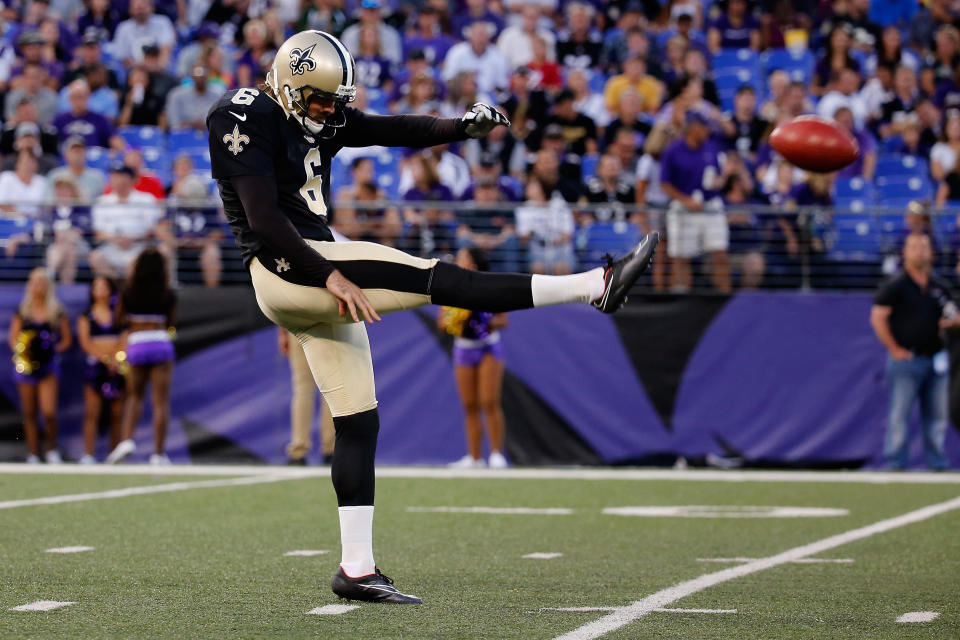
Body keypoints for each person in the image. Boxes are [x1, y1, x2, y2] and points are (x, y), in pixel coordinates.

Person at [203, 30, 658, 605]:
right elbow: (264, 218)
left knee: (358, 422)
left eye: (335, 100)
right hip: (289, 264)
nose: (331, 110)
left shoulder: (323, 113)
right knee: (438, 278)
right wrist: (328, 274)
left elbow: (392, 130)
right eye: (321, 99)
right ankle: (595, 285)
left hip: (313, 271)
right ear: (292, 88)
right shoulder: (242, 114)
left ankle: (357, 568)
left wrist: (459, 128)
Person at [870, 233, 958, 470]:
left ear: (932, 252)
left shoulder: (940, 287)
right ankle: (896, 463)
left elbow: (951, 314)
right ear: (905, 253)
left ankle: (937, 463)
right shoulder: (896, 285)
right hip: (907, 358)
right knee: (900, 414)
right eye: (914, 247)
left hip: (936, 357)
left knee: (937, 417)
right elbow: (878, 317)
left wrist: (952, 323)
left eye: (924, 246)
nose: (920, 251)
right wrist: (895, 349)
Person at [106, 248, 177, 465]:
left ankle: (127, 440)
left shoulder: (128, 292)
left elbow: (117, 320)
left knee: (134, 397)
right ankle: (158, 453)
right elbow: (170, 322)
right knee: (160, 402)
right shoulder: (167, 293)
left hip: (137, 343)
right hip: (159, 341)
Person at [439, 248, 508, 470]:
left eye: (462, 257)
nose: (458, 260)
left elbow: (502, 320)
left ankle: (497, 454)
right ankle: (474, 457)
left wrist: (477, 321)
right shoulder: (450, 287)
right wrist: (457, 322)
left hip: (488, 347)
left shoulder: (488, 286)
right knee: (469, 405)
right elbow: (442, 322)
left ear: (473, 264)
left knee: (489, 401)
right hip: (464, 349)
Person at [660, 110, 731, 292]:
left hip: (710, 205)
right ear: (693, 128)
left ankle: (723, 300)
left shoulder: (711, 147)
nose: (707, 130)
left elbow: (715, 176)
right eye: (704, 127)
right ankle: (681, 300)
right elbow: (665, 184)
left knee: (720, 253)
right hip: (684, 208)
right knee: (681, 257)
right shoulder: (673, 150)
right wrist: (686, 200)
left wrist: (720, 180)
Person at [8, 267, 72, 464]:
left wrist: (50, 352)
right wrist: (26, 353)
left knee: (49, 412)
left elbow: (66, 340)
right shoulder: (23, 310)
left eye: (41, 282)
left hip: (48, 367)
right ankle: (33, 453)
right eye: (34, 282)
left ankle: (52, 449)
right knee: (29, 412)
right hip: (26, 367)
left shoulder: (56, 310)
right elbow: (13, 339)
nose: (37, 286)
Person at [77, 276, 125, 464]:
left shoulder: (119, 313)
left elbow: (125, 337)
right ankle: (88, 454)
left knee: (117, 412)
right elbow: (86, 342)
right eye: (97, 286)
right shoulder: (87, 315)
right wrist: (104, 359)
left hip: (117, 366)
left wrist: (115, 358)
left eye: (104, 286)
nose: (101, 290)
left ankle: (115, 454)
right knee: (92, 412)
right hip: (95, 367)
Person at [89, 164, 162, 278]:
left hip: (139, 246)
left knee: (140, 261)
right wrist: (115, 239)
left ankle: (131, 291)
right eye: (114, 176)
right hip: (111, 246)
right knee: (96, 257)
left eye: (121, 176)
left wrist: (133, 239)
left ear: (132, 180)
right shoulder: (102, 201)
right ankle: (117, 286)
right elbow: (99, 232)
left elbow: (152, 229)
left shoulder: (146, 199)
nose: (117, 180)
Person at [278, 328, 335, 464]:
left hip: (298, 325)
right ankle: (331, 450)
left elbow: (282, 306)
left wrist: (282, 333)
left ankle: (298, 450)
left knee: (302, 389)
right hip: (325, 325)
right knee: (330, 388)